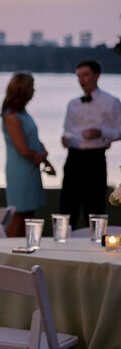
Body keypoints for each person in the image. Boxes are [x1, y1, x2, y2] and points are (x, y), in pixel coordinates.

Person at [60, 59, 121, 227]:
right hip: (73, 157)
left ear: (97, 76)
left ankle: (95, 246)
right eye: (79, 76)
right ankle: (63, 246)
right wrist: (64, 139)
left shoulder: (111, 102)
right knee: (67, 207)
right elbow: (67, 130)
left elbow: (120, 130)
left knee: (94, 208)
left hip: (95, 158)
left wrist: (102, 132)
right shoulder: (72, 104)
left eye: (85, 75)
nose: (82, 80)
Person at [0, 72, 54, 237]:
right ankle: (8, 251)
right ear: (22, 90)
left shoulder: (23, 113)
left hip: (31, 169)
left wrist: (45, 157)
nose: (34, 91)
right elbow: (22, 148)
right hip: (20, 171)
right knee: (19, 215)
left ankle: (23, 251)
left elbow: (34, 140)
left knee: (28, 215)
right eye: (32, 87)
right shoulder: (11, 116)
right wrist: (39, 157)